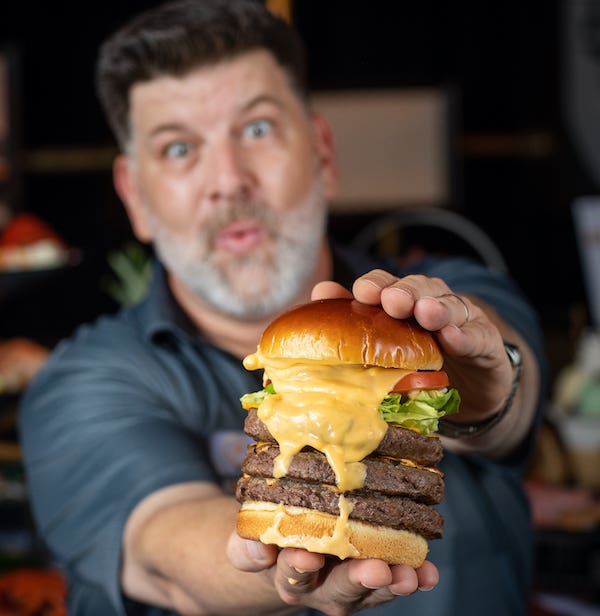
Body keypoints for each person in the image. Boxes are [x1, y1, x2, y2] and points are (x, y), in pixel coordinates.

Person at [18, 1, 546, 614]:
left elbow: (514, 379)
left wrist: (484, 391)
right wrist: (291, 557)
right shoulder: (83, 380)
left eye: (258, 129)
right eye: (179, 149)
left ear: (323, 153)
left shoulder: (451, 286)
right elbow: (165, 553)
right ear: (134, 196)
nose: (229, 178)